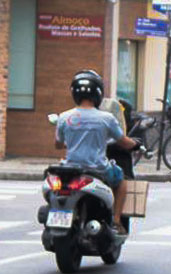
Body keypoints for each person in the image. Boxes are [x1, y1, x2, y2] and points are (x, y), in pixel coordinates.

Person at [55, 70, 140, 226]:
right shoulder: (106, 118)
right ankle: (116, 220)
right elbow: (123, 142)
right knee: (122, 181)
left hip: (70, 169)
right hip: (98, 169)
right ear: (98, 93)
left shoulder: (64, 117)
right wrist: (136, 144)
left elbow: (58, 144)